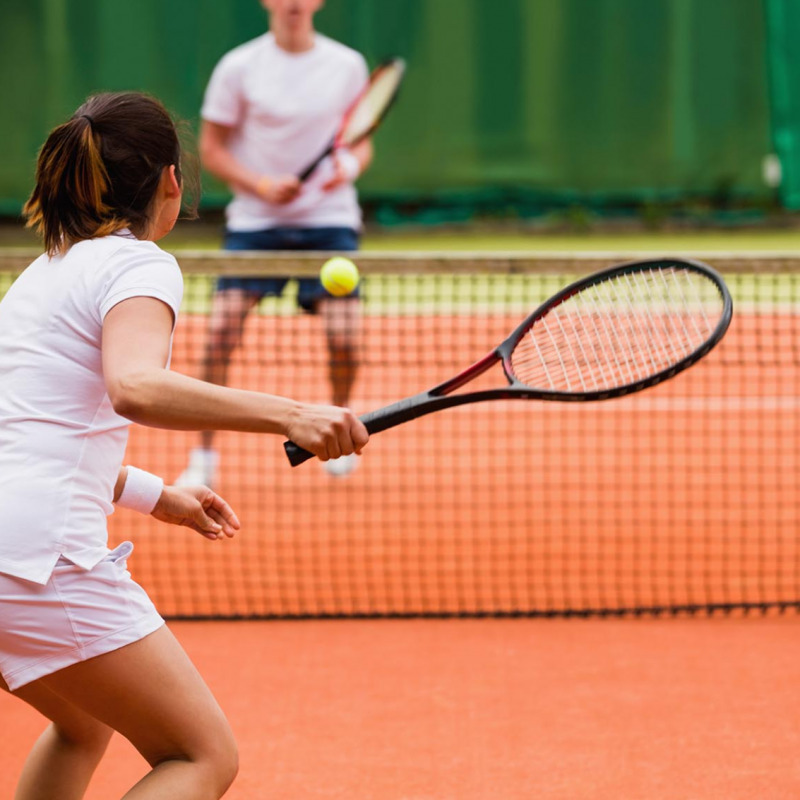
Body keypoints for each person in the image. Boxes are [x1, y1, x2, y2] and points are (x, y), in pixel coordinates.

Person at [0, 91, 368, 800]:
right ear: (171, 181)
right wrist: (292, 414)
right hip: (38, 563)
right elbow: (134, 386)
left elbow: (27, 436)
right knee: (200, 755)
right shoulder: (138, 265)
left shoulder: (39, 277)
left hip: (11, 550)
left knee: (81, 723)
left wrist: (156, 495)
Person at [176, 0, 373, 486]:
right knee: (220, 334)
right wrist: (261, 185)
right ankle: (203, 456)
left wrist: (348, 167)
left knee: (345, 340)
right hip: (256, 224)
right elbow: (212, 148)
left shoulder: (347, 65)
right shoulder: (239, 67)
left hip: (329, 223)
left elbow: (360, 140)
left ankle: (339, 426)